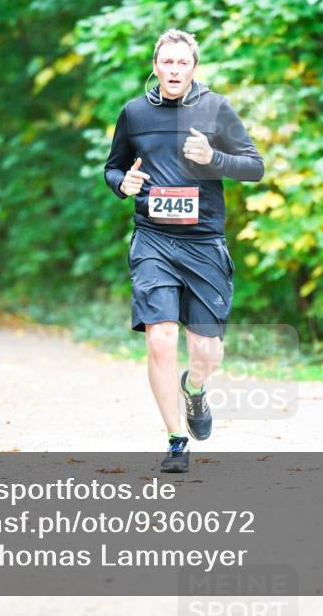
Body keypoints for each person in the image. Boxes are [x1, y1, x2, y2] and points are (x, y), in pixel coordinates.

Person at [103, 29, 264, 473]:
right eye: (167, 63)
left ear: (194, 68)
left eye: (182, 63)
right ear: (155, 67)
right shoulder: (134, 113)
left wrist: (213, 158)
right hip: (153, 239)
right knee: (160, 338)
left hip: (204, 242)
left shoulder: (215, 108)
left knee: (207, 350)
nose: (174, 70)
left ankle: (194, 388)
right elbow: (113, 168)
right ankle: (176, 439)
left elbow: (255, 166)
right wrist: (123, 184)